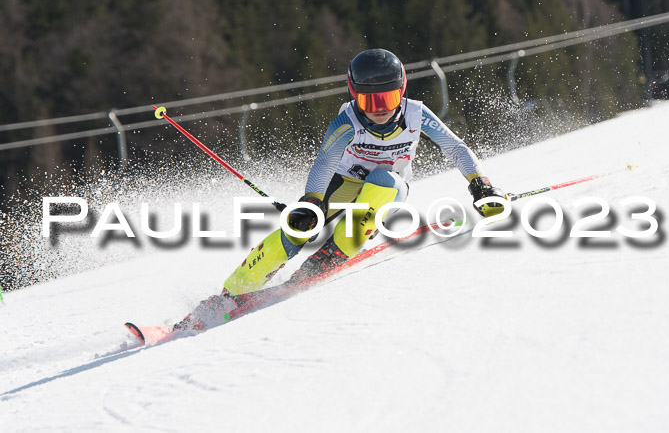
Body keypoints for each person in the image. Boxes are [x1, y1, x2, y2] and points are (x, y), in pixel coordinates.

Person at [174, 48, 507, 330]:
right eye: (369, 100)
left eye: (389, 98)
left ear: (401, 91)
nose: (380, 109)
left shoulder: (417, 114)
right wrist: (312, 203)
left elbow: (456, 147)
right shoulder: (348, 120)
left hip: (388, 190)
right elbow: (325, 161)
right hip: (344, 182)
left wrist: (481, 186)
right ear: (354, 95)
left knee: (384, 181)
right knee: (297, 228)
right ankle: (231, 293)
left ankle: (332, 254)